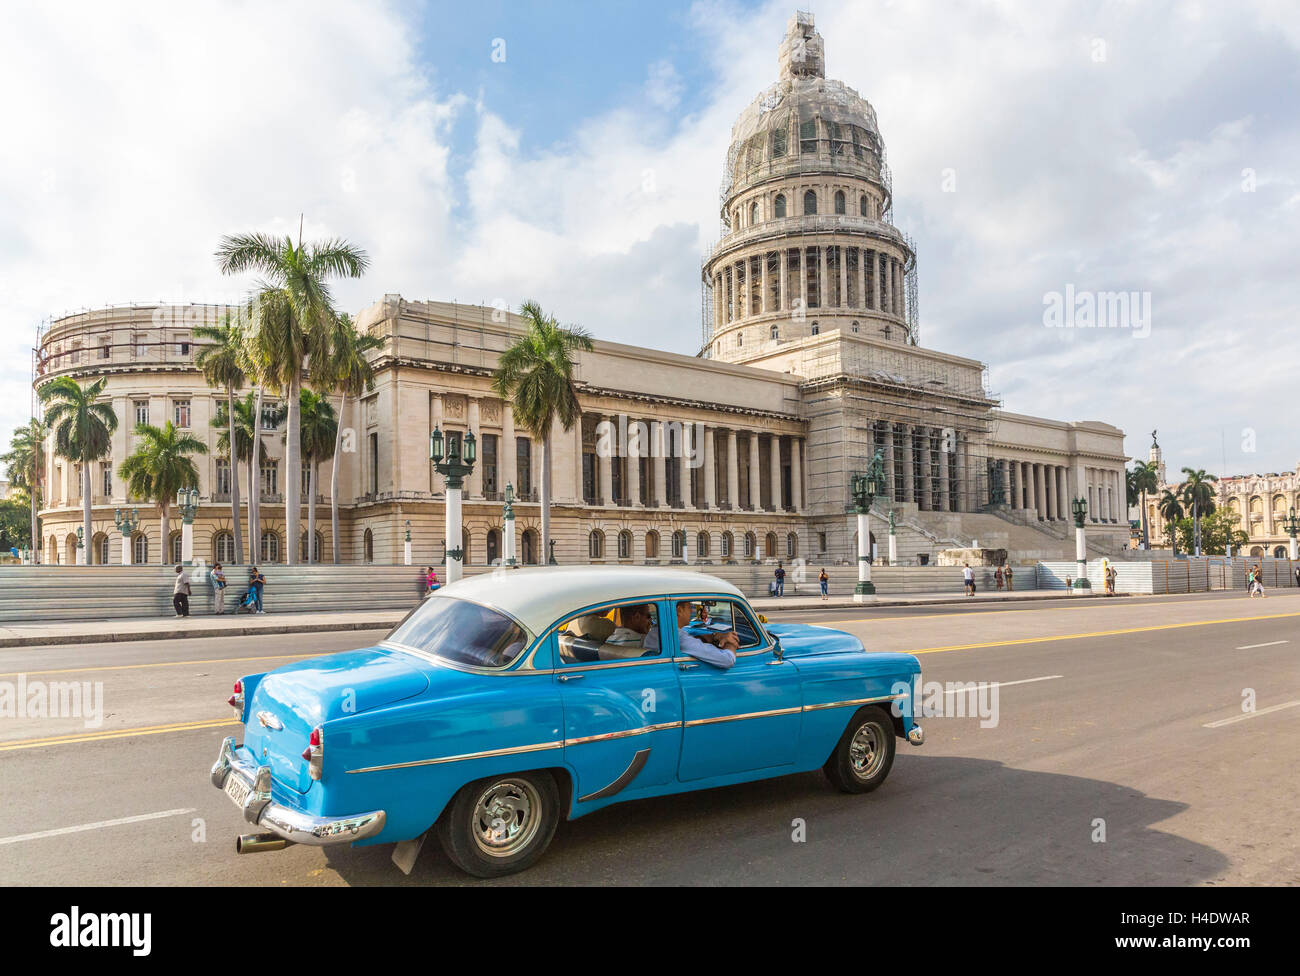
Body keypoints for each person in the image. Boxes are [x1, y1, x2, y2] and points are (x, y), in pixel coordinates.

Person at [672, 601, 738, 668]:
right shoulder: (680, 638)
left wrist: (714, 636)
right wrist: (731, 642)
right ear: (679, 610)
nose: (691, 611)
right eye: (689, 607)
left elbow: (692, 640)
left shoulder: (674, 633)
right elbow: (727, 659)